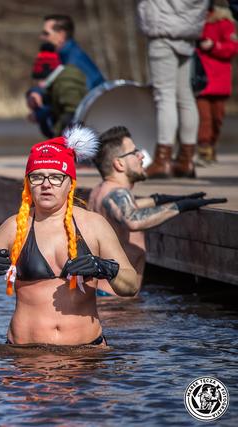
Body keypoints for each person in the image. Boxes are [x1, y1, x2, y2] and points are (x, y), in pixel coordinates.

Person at [0, 126, 139, 347]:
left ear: (70, 183)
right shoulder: (13, 227)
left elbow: (130, 286)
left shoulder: (94, 225)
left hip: (87, 353)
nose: (46, 184)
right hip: (25, 355)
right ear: (28, 184)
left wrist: (106, 268)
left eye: (56, 177)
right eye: (37, 177)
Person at [88, 126, 226, 293]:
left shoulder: (101, 191)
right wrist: (180, 207)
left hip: (105, 295)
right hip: (114, 302)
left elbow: (125, 209)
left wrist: (161, 199)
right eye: (134, 152)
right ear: (119, 163)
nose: (141, 156)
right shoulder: (116, 193)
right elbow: (132, 220)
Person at [137, 0, 208, 178]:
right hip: (188, 33)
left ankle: (163, 160)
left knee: (164, 96)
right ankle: (187, 160)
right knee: (186, 97)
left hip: (163, 31)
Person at [195, 1, 238, 163]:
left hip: (220, 79)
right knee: (203, 118)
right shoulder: (194, 22)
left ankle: (212, 145)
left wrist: (214, 46)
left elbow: (233, 48)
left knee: (217, 118)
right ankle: (204, 149)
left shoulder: (224, 22)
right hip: (201, 79)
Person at [26, 43, 87, 137]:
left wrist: (56, 137)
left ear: (48, 74)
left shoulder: (66, 82)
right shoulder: (58, 80)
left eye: (41, 79)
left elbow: (72, 114)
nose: (39, 84)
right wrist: (35, 93)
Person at [40, 14, 105, 90]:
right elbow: (46, 84)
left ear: (61, 35)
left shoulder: (74, 62)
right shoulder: (60, 57)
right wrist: (36, 91)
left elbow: (83, 98)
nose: (42, 37)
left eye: (46, 33)